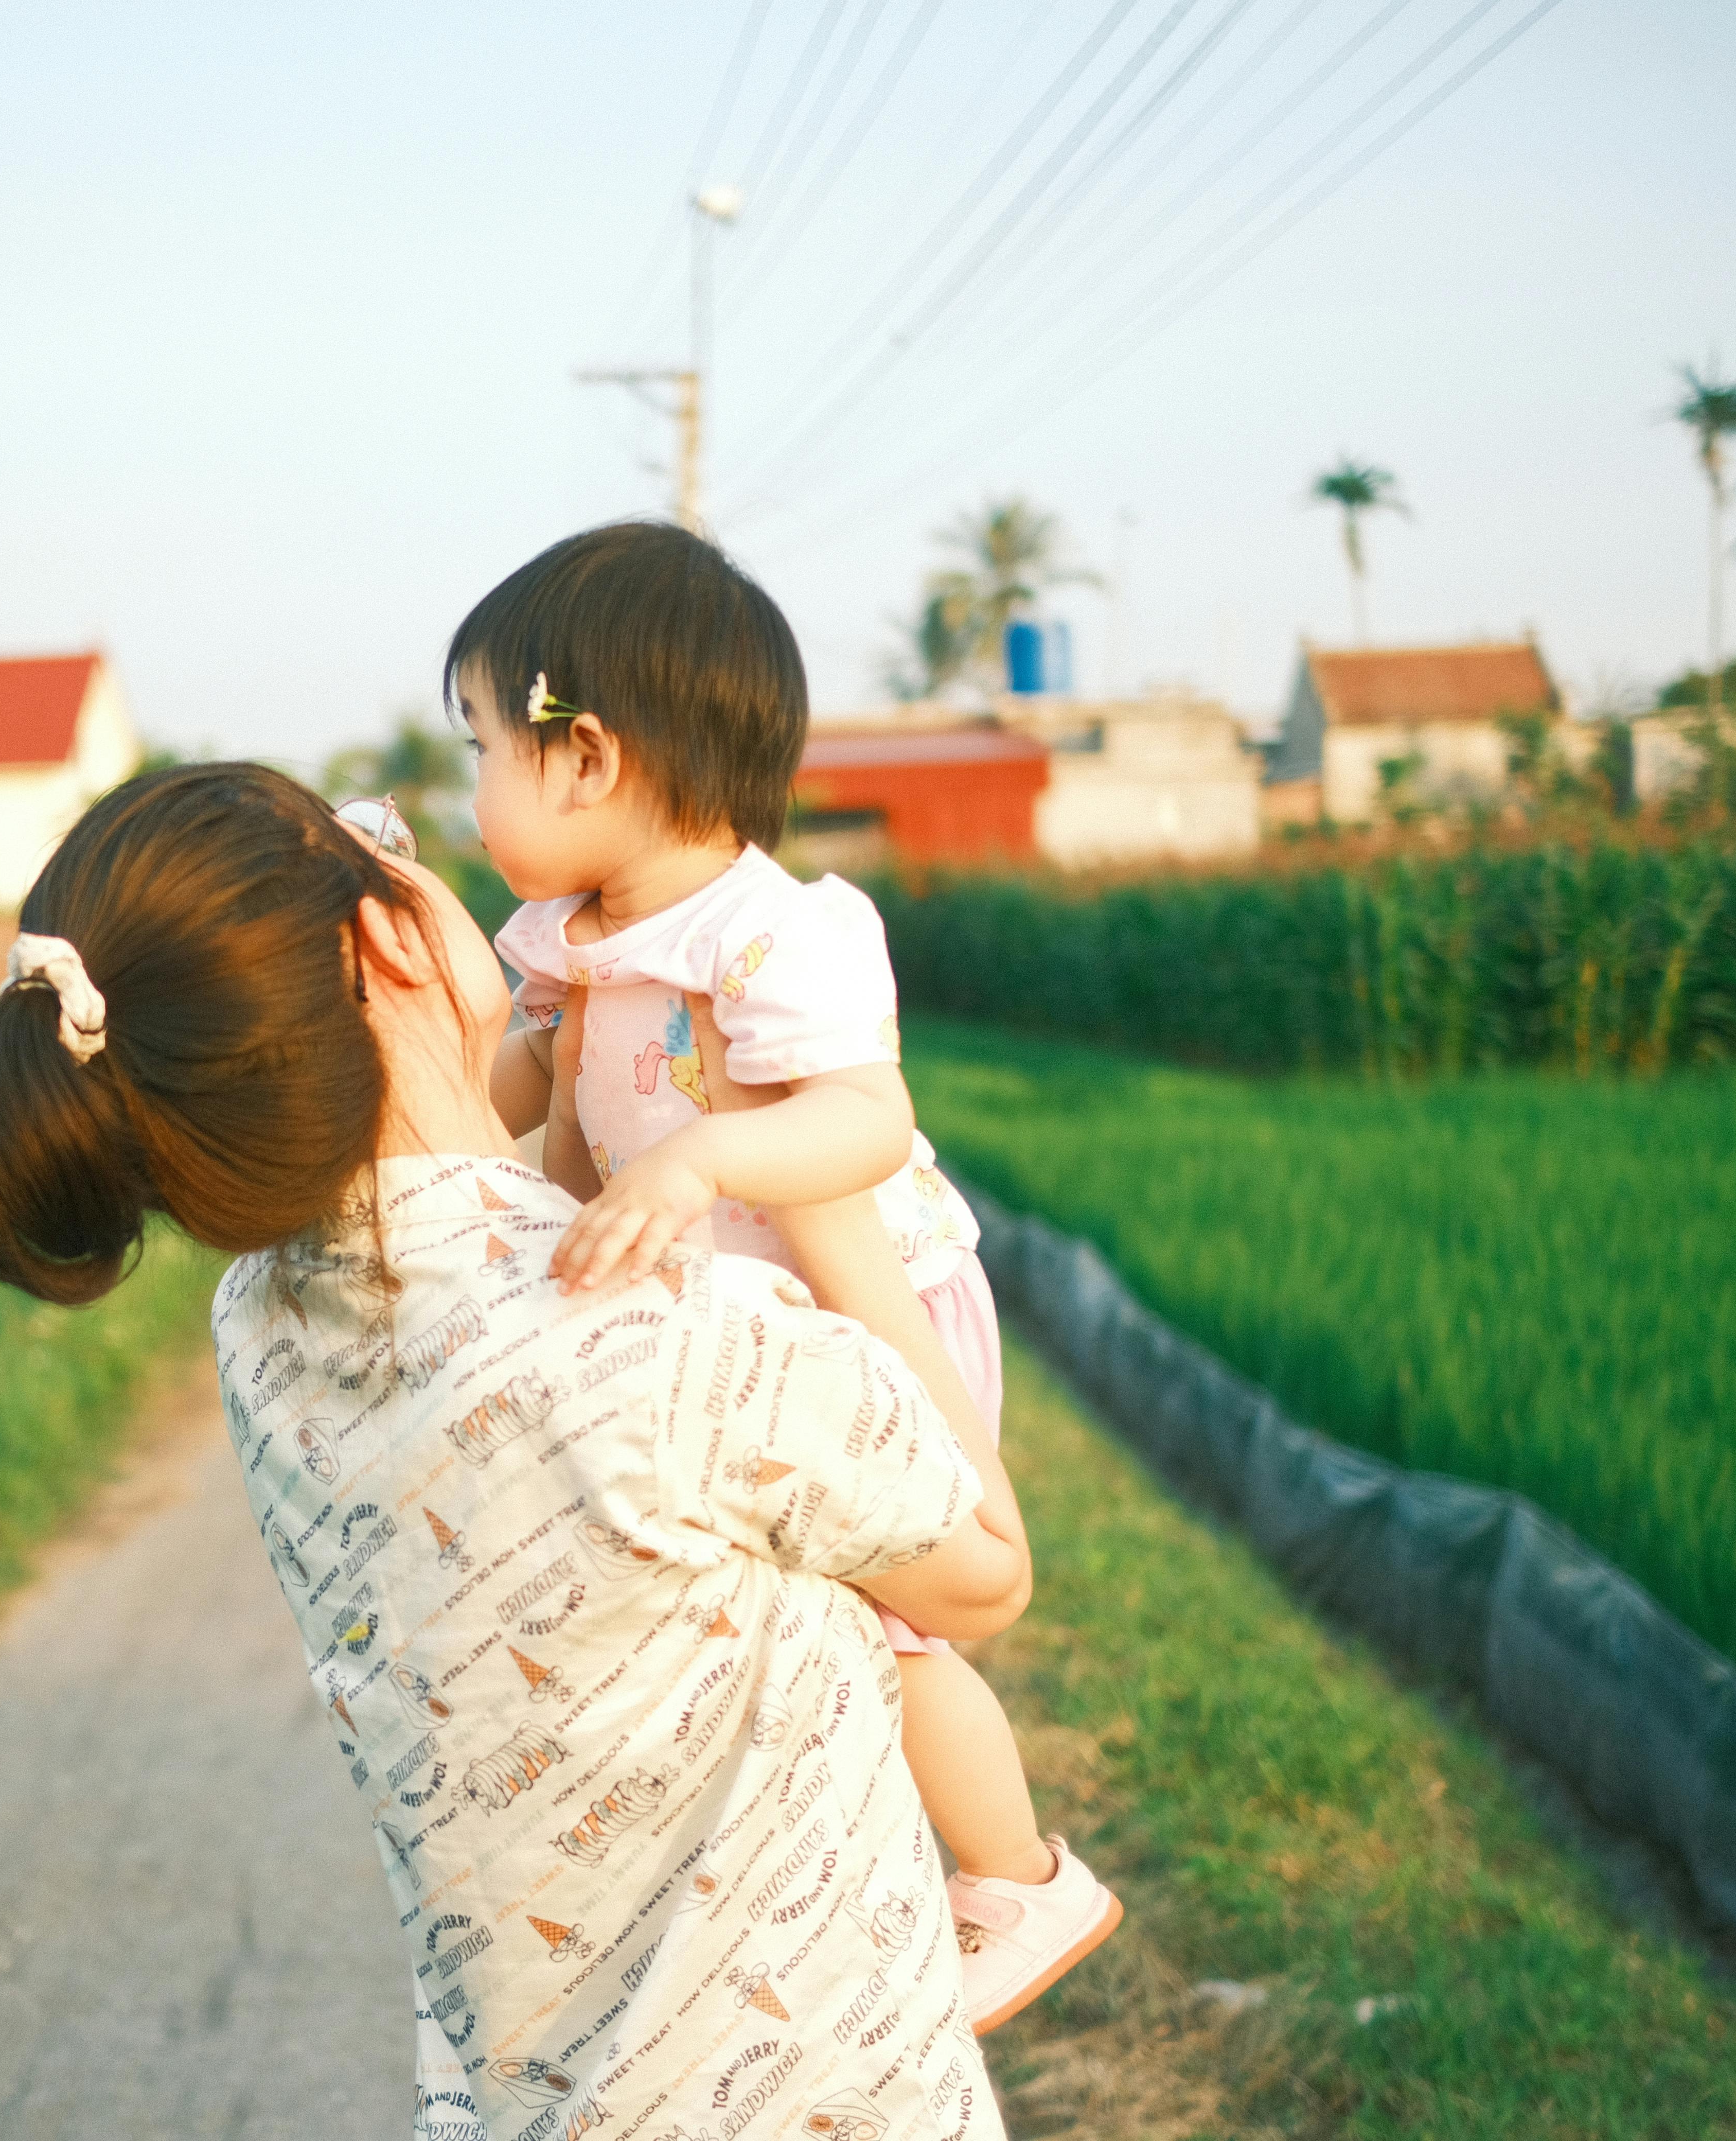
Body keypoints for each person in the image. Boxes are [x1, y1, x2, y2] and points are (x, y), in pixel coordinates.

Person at [0, 762, 1029, 2139]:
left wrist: (570, 1100)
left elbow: (482, 1274)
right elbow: (985, 1575)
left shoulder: (260, 1333)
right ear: (388, 936)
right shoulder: (666, 1326)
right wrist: (813, 1193)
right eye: (388, 843)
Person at [462, 521, 1121, 2030]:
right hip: (753, 1334)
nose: (475, 788)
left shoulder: (770, 933)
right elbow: (511, 1097)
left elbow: (863, 1117)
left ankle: (1022, 1879)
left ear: (587, 758)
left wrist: (696, 1164)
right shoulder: (577, 944)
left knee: (900, 1621)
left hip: (869, 1305)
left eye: (486, 745)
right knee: (796, 1624)